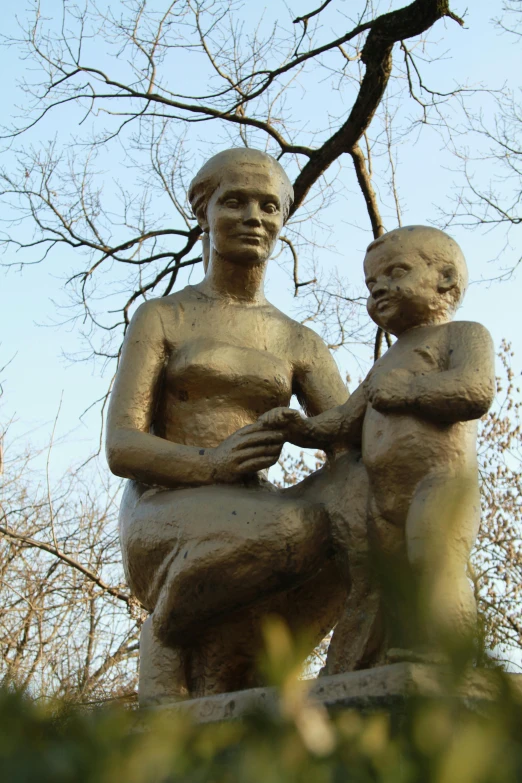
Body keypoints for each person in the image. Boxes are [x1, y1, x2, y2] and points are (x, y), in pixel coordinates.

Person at [105, 148, 358, 701]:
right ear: (204, 212)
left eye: (269, 206)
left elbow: (350, 442)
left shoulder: (299, 341)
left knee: (357, 519)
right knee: (298, 529)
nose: (254, 217)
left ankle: (278, 669)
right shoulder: (163, 316)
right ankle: (169, 629)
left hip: (257, 511)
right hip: (165, 506)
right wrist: (210, 463)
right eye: (235, 201)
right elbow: (121, 445)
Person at [260, 226, 496, 660]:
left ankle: (453, 657)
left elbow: (474, 390)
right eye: (371, 284)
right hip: (385, 498)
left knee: (434, 559)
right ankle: (394, 654)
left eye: (396, 272)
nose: (379, 289)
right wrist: (301, 429)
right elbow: (345, 421)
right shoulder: (387, 361)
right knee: (386, 583)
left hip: (439, 484)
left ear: (444, 278)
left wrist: (407, 393)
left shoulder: (462, 334)